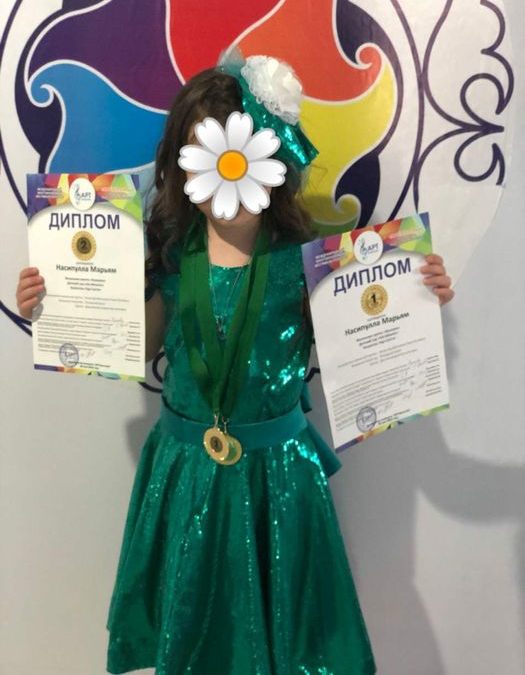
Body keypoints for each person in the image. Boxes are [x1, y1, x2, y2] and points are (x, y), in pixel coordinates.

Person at [16, 55, 454, 675]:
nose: (230, 176)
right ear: (185, 169)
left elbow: (360, 344)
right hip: (186, 475)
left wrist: (415, 298)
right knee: (194, 636)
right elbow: (137, 346)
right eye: (212, 159)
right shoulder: (169, 257)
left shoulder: (311, 266)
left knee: (280, 644)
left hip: (279, 481)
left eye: (245, 157)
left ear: (272, 161)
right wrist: (54, 305)